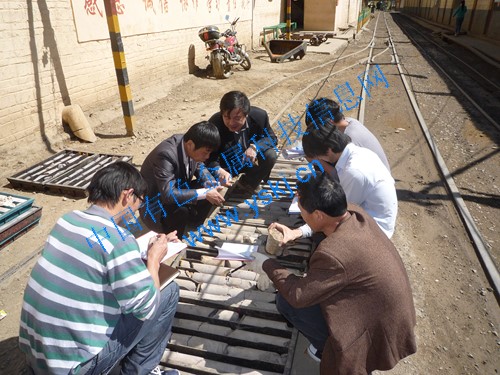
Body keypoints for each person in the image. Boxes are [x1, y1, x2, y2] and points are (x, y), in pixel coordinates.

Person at [19, 161, 180, 375]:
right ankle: (138, 371)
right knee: (169, 292)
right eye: (139, 203)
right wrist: (153, 260)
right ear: (127, 195)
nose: (137, 211)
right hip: (75, 369)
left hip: (38, 356)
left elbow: (96, 258)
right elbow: (147, 307)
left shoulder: (67, 221)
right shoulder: (119, 240)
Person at [250, 173, 417, 374]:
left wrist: (267, 265)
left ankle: (326, 348)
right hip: (395, 315)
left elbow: (298, 294)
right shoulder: (354, 212)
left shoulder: (334, 253)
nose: (300, 212)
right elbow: (323, 228)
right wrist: (297, 232)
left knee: (286, 302)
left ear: (318, 214)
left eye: (301, 208)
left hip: (377, 329)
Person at [271, 124, 397, 244]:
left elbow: (335, 215)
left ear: (329, 150)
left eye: (317, 157)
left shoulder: (354, 173)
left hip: (374, 232)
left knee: (320, 239)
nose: (317, 161)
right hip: (369, 215)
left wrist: (298, 232)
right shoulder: (359, 153)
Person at [140, 121, 225, 237]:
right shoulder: (165, 155)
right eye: (206, 152)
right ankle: (174, 240)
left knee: (208, 187)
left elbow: (199, 165)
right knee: (183, 210)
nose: (207, 157)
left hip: (177, 189)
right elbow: (169, 194)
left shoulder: (188, 144)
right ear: (190, 144)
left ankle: (193, 221)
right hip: (157, 205)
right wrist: (205, 193)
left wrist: (208, 181)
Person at [208, 91, 278, 193]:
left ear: (246, 114)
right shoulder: (214, 124)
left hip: (250, 162)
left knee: (270, 155)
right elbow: (208, 156)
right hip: (227, 165)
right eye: (227, 117)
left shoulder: (259, 116)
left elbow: (272, 138)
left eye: (237, 118)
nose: (231, 123)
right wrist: (218, 170)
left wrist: (255, 147)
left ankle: (247, 183)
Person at [305, 97, 391, 171]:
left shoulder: (350, 140)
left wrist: (318, 161)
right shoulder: (349, 121)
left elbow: (339, 176)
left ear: (329, 122)